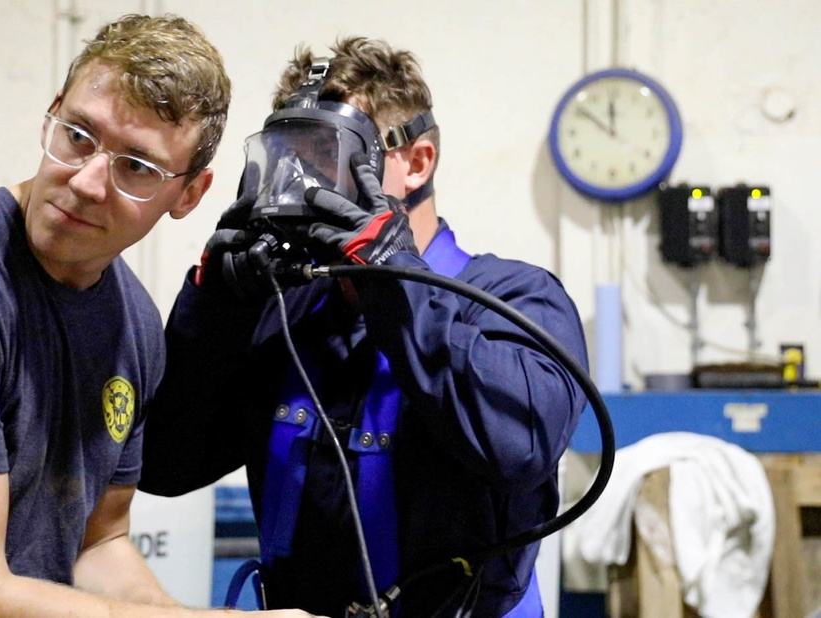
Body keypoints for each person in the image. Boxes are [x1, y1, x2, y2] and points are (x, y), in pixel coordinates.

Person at [0, 13, 320, 618]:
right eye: (79, 135)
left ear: (188, 195)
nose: (86, 181)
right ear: (51, 112)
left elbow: (98, 545)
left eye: (137, 166)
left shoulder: (133, 321)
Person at [139, 36, 590, 618]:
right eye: (291, 155)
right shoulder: (293, 314)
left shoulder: (517, 299)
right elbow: (162, 464)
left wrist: (394, 283)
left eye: (331, 153)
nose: (307, 180)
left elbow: (518, 448)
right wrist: (215, 314)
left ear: (417, 162)